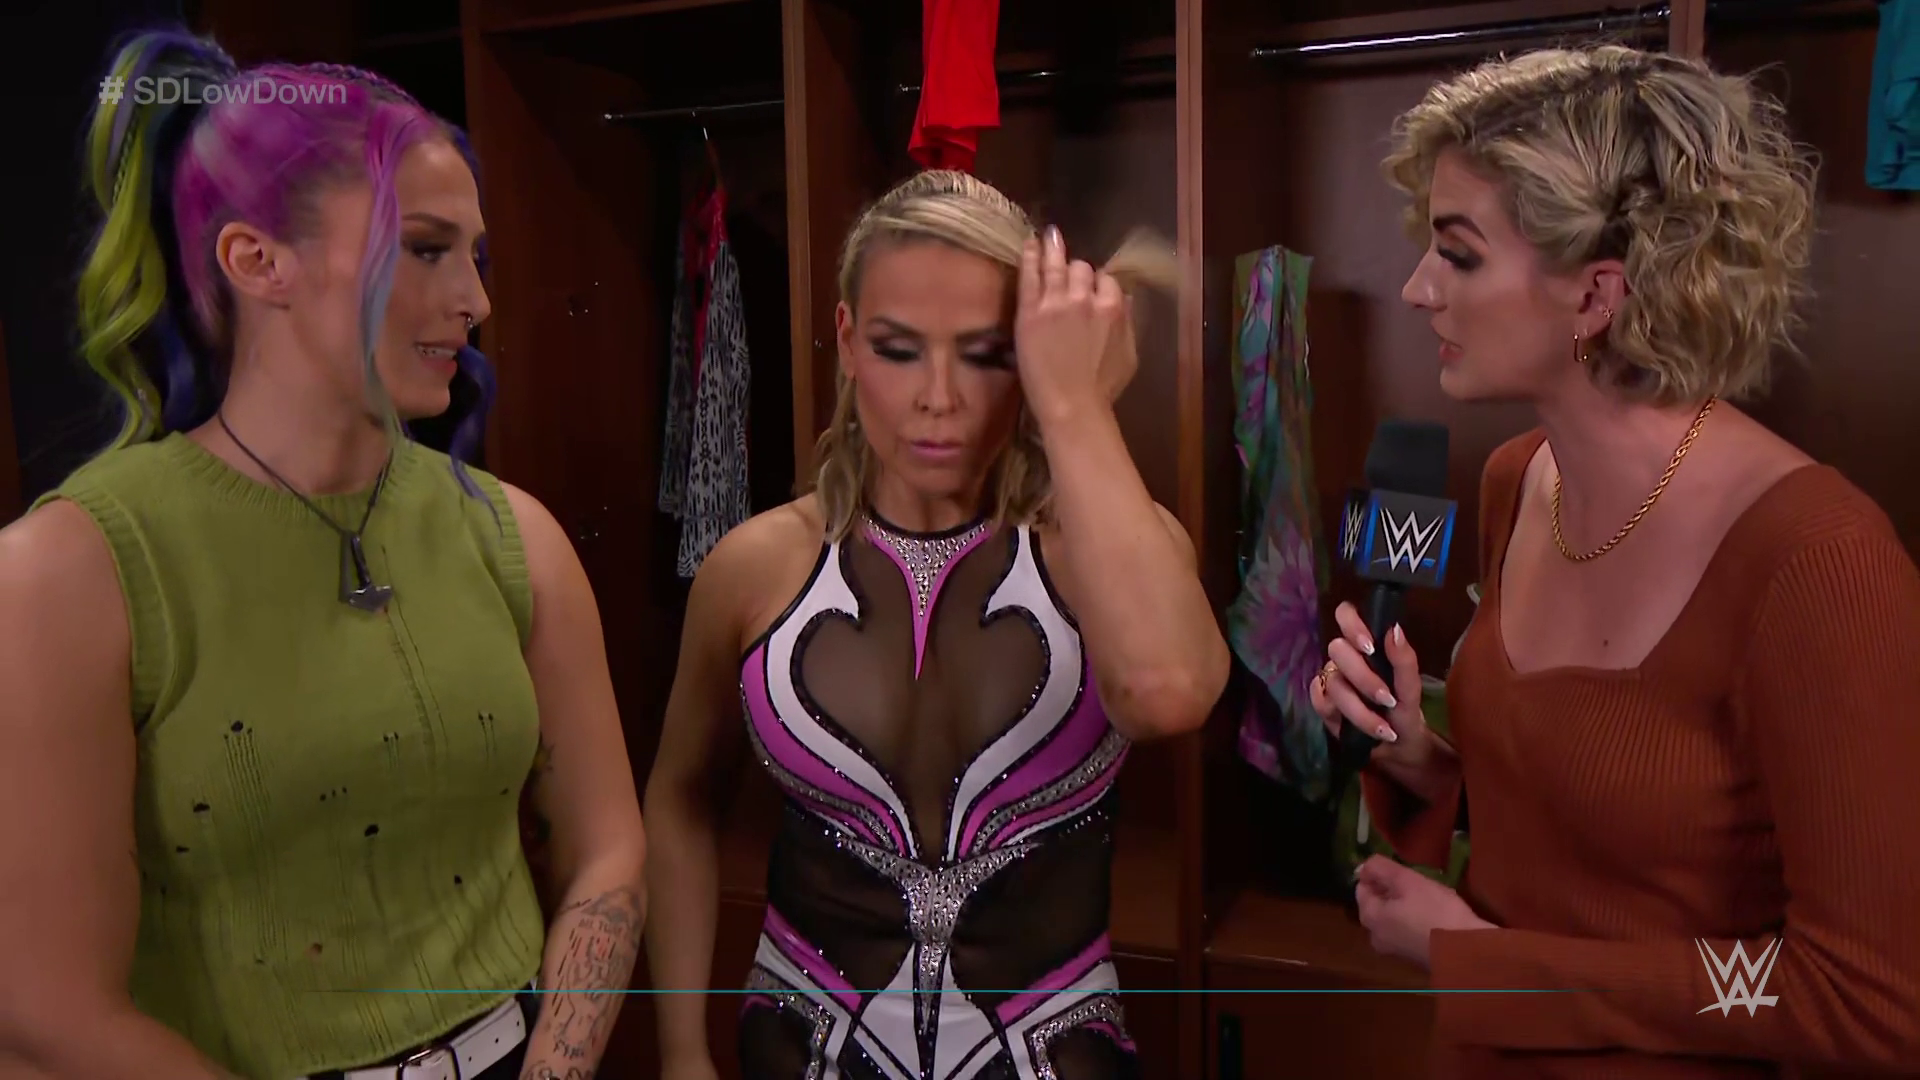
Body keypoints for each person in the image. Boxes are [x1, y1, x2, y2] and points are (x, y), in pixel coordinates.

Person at [0, 30, 646, 1080]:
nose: (477, 300)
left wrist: (554, 1069)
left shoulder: (513, 535)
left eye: (475, 256)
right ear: (257, 261)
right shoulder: (70, 573)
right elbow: (43, 1005)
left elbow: (608, 852)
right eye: (426, 249)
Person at [1310, 44, 1920, 1078]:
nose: (1416, 288)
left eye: (1457, 253)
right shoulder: (1514, 481)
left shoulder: (1820, 564)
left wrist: (1495, 969)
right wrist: (1422, 757)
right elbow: (1596, 822)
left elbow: (1858, 997)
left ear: (1596, 295)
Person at [642, 170, 1228, 1080]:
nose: (938, 397)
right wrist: (681, 1049)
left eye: (985, 353)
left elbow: (1169, 694)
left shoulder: (1107, 559)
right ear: (847, 341)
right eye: (899, 350)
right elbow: (680, 798)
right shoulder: (754, 570)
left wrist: (1076, 406)